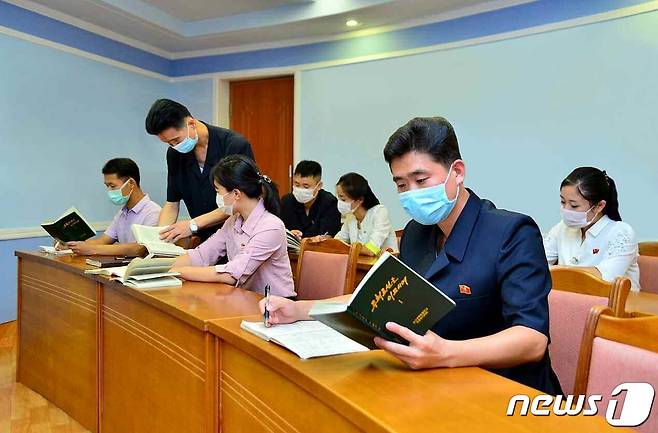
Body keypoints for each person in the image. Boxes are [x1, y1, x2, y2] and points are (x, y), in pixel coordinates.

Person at [261, 116, 562, 395]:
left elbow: (532, 339)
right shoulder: (417, 233)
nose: (412, 193)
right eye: (402, 184)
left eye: (421, 180)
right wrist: (298, 310)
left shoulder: (511, 232)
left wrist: (445, 353)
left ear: (457, 172)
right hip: (436, 383)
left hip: (508, 392)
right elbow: (376, 298)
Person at [171, 155, 295, 297]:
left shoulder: (271, 227)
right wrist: (161, 268)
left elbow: (231, 274)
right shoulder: (233, 220)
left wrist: (179, 271)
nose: (217, 197)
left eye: (218, 191)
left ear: (236, 193)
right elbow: (203, 254)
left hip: (274, 304)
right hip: (244, 298)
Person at [145, 99, 254, 242]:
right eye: (168, 143)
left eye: (176, 140)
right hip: (204, 239)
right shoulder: (174, 154)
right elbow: (172, 204)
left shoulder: (234, 145)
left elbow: (239, 201)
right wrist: (158, 238)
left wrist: (192, 225)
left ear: (191, 123)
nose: (174, 146)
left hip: (238, 236)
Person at [544, 167, 640, 291]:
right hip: (569, 297)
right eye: (563, 202)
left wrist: (556, 270)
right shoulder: (562, 228)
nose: (566, 210)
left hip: (613, 301)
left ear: (599, 206)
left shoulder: (621, 233)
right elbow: (537, 263)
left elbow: (604, 278)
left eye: (574, 205)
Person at [65, 158, 161, 256]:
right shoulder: (122, 213)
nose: (110, 191)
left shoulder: (153, 212)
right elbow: (102, 241)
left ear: (131, 183)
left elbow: (140, 249)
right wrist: (71, 244)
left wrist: (92, 249)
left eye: (112, 186)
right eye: (107, 186)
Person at [333, 172, 398, 256]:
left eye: (343, 199)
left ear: (360, 200)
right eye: (338, 198)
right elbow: (337, 243)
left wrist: (347, 248)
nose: (339, 203)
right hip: (360, 262)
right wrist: (324, 241)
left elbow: (371, 250)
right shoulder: (350, 216)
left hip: (384, 263)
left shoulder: (379, 212)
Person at [280, 160, 341, 239]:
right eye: (297, 185)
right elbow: (279, 230)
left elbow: (329, 235)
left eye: (306, 186)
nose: (300, 190)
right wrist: (289, 234)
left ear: (319, 186)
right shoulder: (287, 201)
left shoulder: (329, 202)